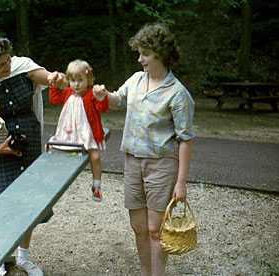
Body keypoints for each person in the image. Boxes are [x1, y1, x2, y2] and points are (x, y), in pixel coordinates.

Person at [0, 35, 66, 276]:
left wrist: (56, 79)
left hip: (28, 145)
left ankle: (24, 259)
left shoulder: (22, 67)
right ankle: (0, 260)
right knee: (1, 207)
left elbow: (50, 79)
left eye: (8, 60)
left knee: (29, 204)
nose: (7, 66)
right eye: (1, 64)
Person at [94, 23, 195, 276]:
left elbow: (185, 140)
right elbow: (117, 101)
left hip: (161, 165)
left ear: (160, 53)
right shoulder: (137, 79)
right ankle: (144, 271)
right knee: (138, 226)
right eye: (139, 53)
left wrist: (181, 182)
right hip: (132, 163)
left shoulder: (178, 94)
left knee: (155, 228)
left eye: (145, 54)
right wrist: (103, 95)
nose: (139, 59)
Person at [48, 59, 109, 201]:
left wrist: (101, 98)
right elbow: (54, 100)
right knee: (55, 154)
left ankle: (96, 186)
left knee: (95, 157)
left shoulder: (91, 94)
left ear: (89, 79)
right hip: (68, 134)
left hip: (86, 134)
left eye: (80, 80)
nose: (76, 84)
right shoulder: (67, 92)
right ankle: (54, 183)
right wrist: (53, 86)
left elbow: (102, 109)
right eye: (73, 80)